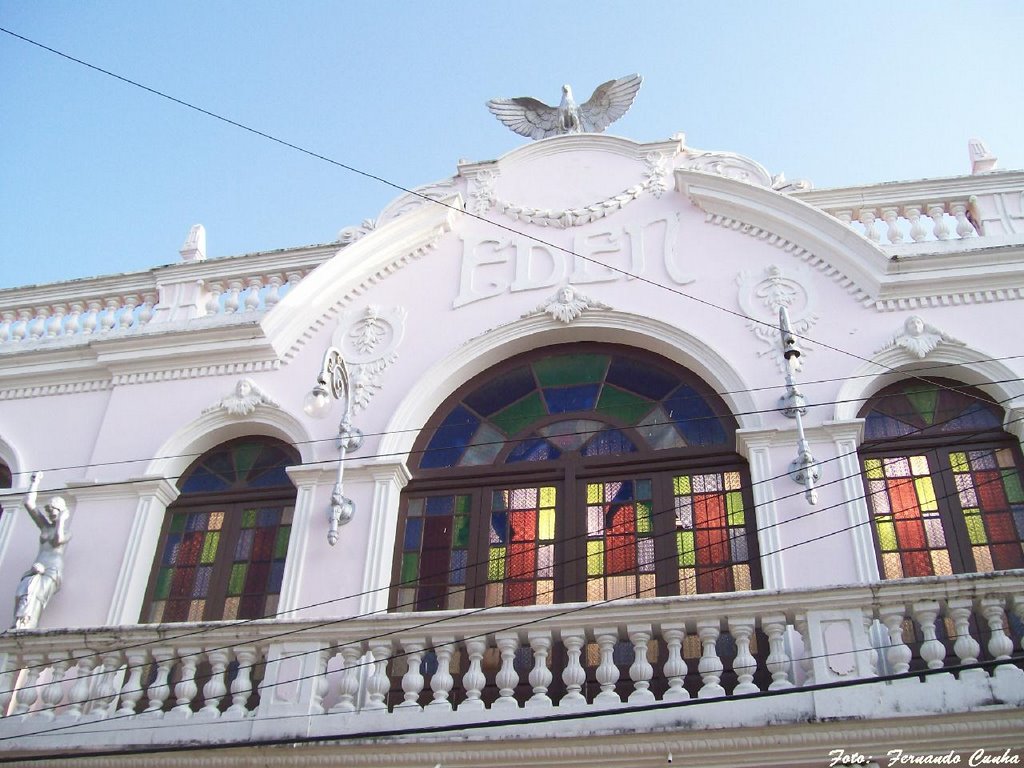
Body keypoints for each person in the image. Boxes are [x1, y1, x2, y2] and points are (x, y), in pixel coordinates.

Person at [12, 471, 71, 630]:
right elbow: (29, 503)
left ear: (61, 512)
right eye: (48, 511)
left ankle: (28, 625)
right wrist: (34, 482)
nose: (50, 514)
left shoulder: (66, 532)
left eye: (53, 511)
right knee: (22, 593)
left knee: (37, 597)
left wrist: (62, 521)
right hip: (36, 566)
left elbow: (58, 540)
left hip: (52, 569)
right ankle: (20, 623)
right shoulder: (44, 526)